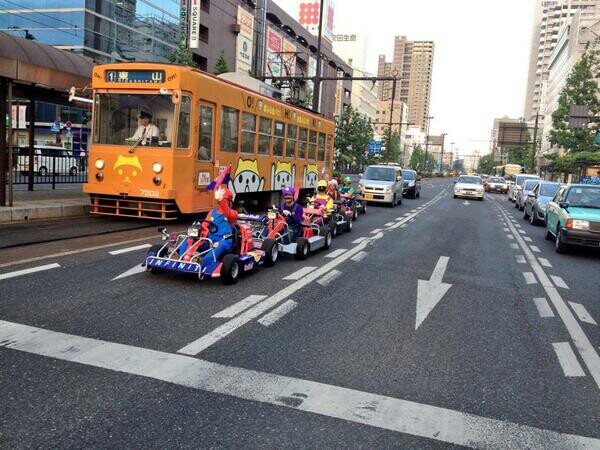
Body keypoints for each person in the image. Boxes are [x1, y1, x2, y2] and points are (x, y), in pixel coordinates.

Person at [181, 186, 238, 264]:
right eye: (221, 199)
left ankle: (203, 262)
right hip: (210, 239)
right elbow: (205, 224)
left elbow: (227, 213)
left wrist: (221, 200)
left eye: (224, 199)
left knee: (219, 246)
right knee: (189, 239)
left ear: (229, 201)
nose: (222, 201)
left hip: (224, 240)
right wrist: (198, 229)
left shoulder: (233, 213)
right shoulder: (213, 212)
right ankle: (182, 257)